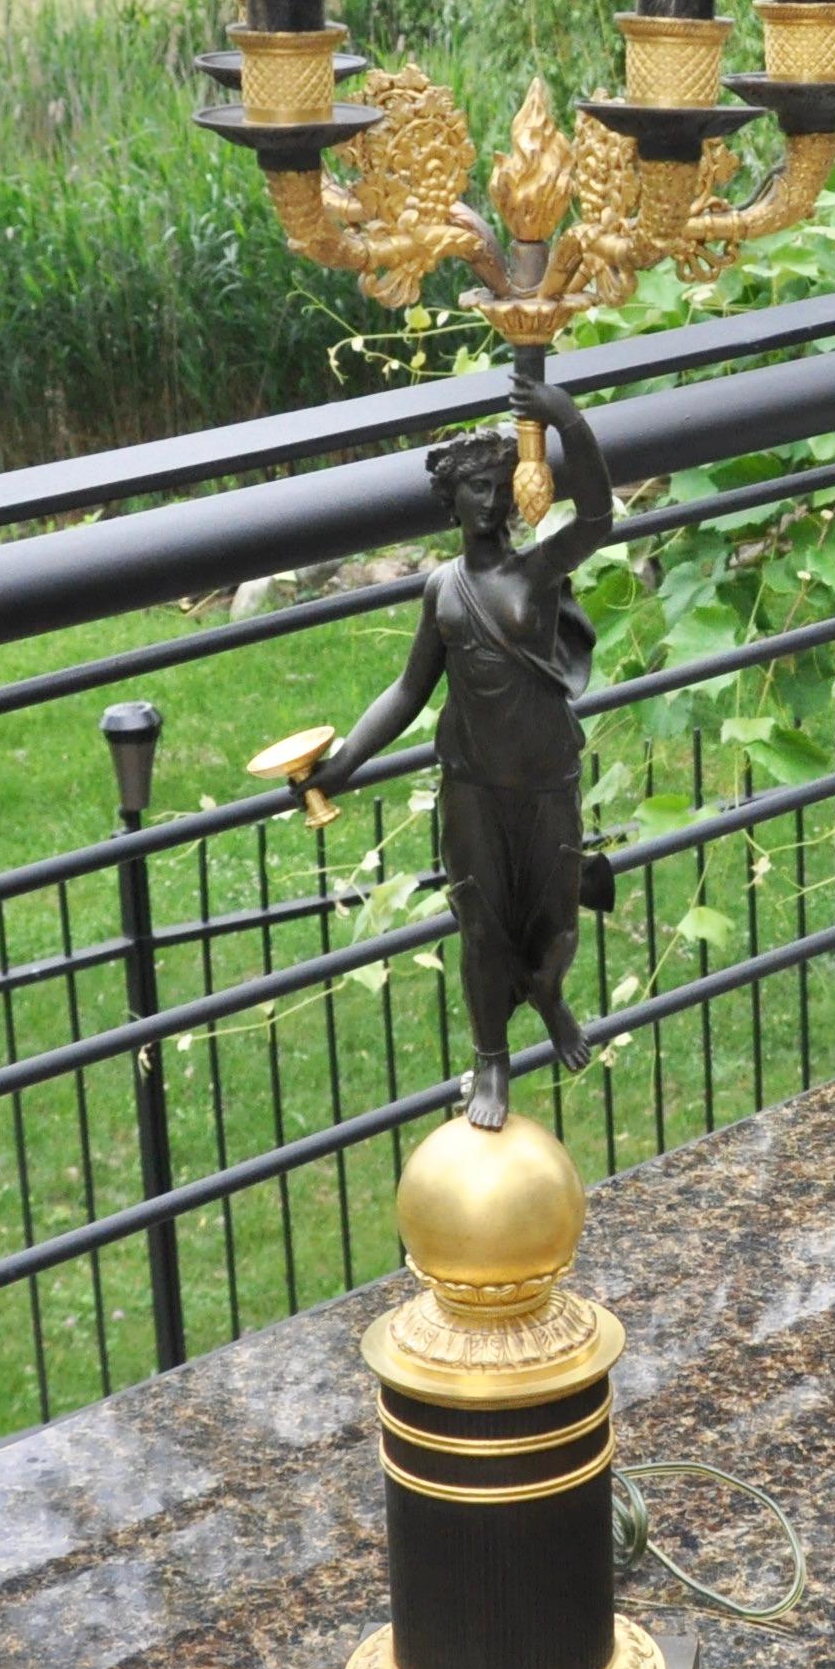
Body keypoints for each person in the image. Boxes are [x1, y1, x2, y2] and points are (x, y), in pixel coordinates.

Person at [312, 386, 617, 1126]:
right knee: (480, 927)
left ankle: (548, 998)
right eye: (473, 488)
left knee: (557, 928)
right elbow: (409, 690)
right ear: (449, 501)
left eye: (498, 485)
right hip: (473, 787)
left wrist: (564, 419)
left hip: (547, 782)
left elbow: (600, 516)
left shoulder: (537, 572)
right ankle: (491, 1063)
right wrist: (344, 762)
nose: (488, 502)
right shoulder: (442, 591)